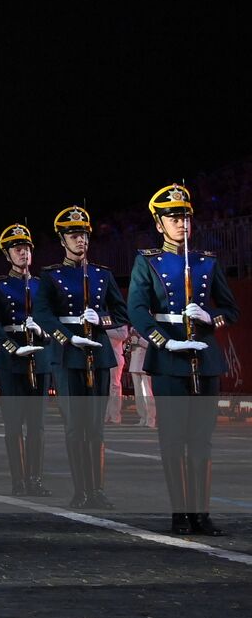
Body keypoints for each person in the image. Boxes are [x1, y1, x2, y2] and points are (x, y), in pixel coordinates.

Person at [126, 183, 238, 535]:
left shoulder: (207, 261)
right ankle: (180, 513)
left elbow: (230, 308)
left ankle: (201, 513)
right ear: (159, 224)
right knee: (173, 440)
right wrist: (164, 342)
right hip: (170, 360)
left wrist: (210, 317)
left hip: (204, 359)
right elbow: (138, 310)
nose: (182, 223)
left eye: (185, 217)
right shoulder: (148, 261)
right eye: (173, 218)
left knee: (202, 440)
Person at [34, 205, 128, 510]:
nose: (81, 240)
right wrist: (67, 335)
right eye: (74, 235)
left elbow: (122, 312)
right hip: (68, 355)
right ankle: (81, 491)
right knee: (75, 425)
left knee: (96, 427)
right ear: (63, 239)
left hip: (98, 354)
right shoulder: (51, 276)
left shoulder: (102, 275)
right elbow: (43, 314)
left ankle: (97, 489)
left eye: (84, 235)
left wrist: (102, 319)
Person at [0, 224, 52, 496]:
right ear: (7, 254)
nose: (23, 253)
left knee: (37, 426)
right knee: (14, 424)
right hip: (12, 360)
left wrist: (44, 331)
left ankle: (35, 478)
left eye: (26, 248)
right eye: (17, 248)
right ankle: (19, 480)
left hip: (39, 356)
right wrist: (12, 348)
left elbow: (53, 318)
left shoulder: (42, 285)